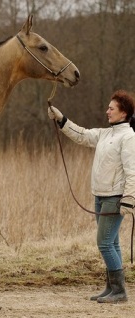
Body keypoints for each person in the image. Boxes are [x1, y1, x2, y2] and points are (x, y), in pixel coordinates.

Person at [48, 89, 135, 304]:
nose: (107, 111)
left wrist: (130, 198)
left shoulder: (129, 136)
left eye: (111, 108)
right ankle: (111, 288)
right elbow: (82, 135)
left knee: (104, 243)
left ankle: (120, 291)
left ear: (123, 113)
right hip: (100, 196)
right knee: (112, 243)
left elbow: (132, 170)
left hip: (115, 198)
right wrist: (61, 119)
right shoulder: (106, 134)